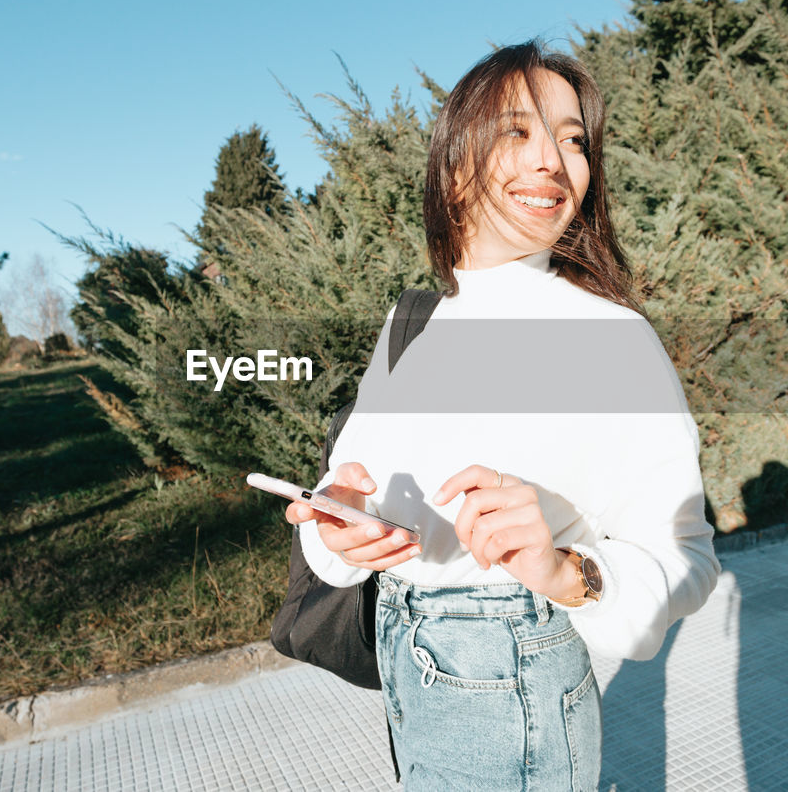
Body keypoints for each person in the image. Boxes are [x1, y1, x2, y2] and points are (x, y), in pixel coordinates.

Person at [285, 40, 720, 791]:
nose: (552, 158)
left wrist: (567, 570)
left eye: (573, 138)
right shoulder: (413, 320)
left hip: (516, 686)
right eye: (518, 131)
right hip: (408, 667)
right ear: (456, 170)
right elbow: (353, 496)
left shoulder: (612, 338)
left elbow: (689, 556)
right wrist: (344, 527)